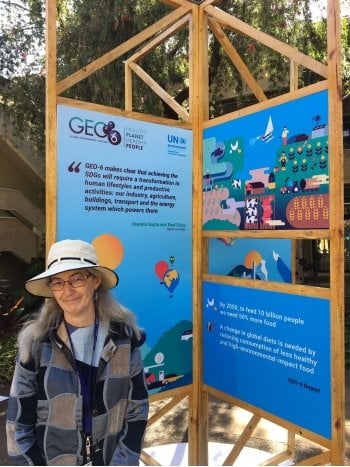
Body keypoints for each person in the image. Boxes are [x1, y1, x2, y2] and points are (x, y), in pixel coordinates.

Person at [6, 239, 149, 466]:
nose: (68, 291)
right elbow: (18, 424)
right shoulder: (36, 344)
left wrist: (122, 462)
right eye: (58, 282)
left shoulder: (124, 339)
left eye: (77, 279)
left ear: (95, 281)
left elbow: (137, 411)